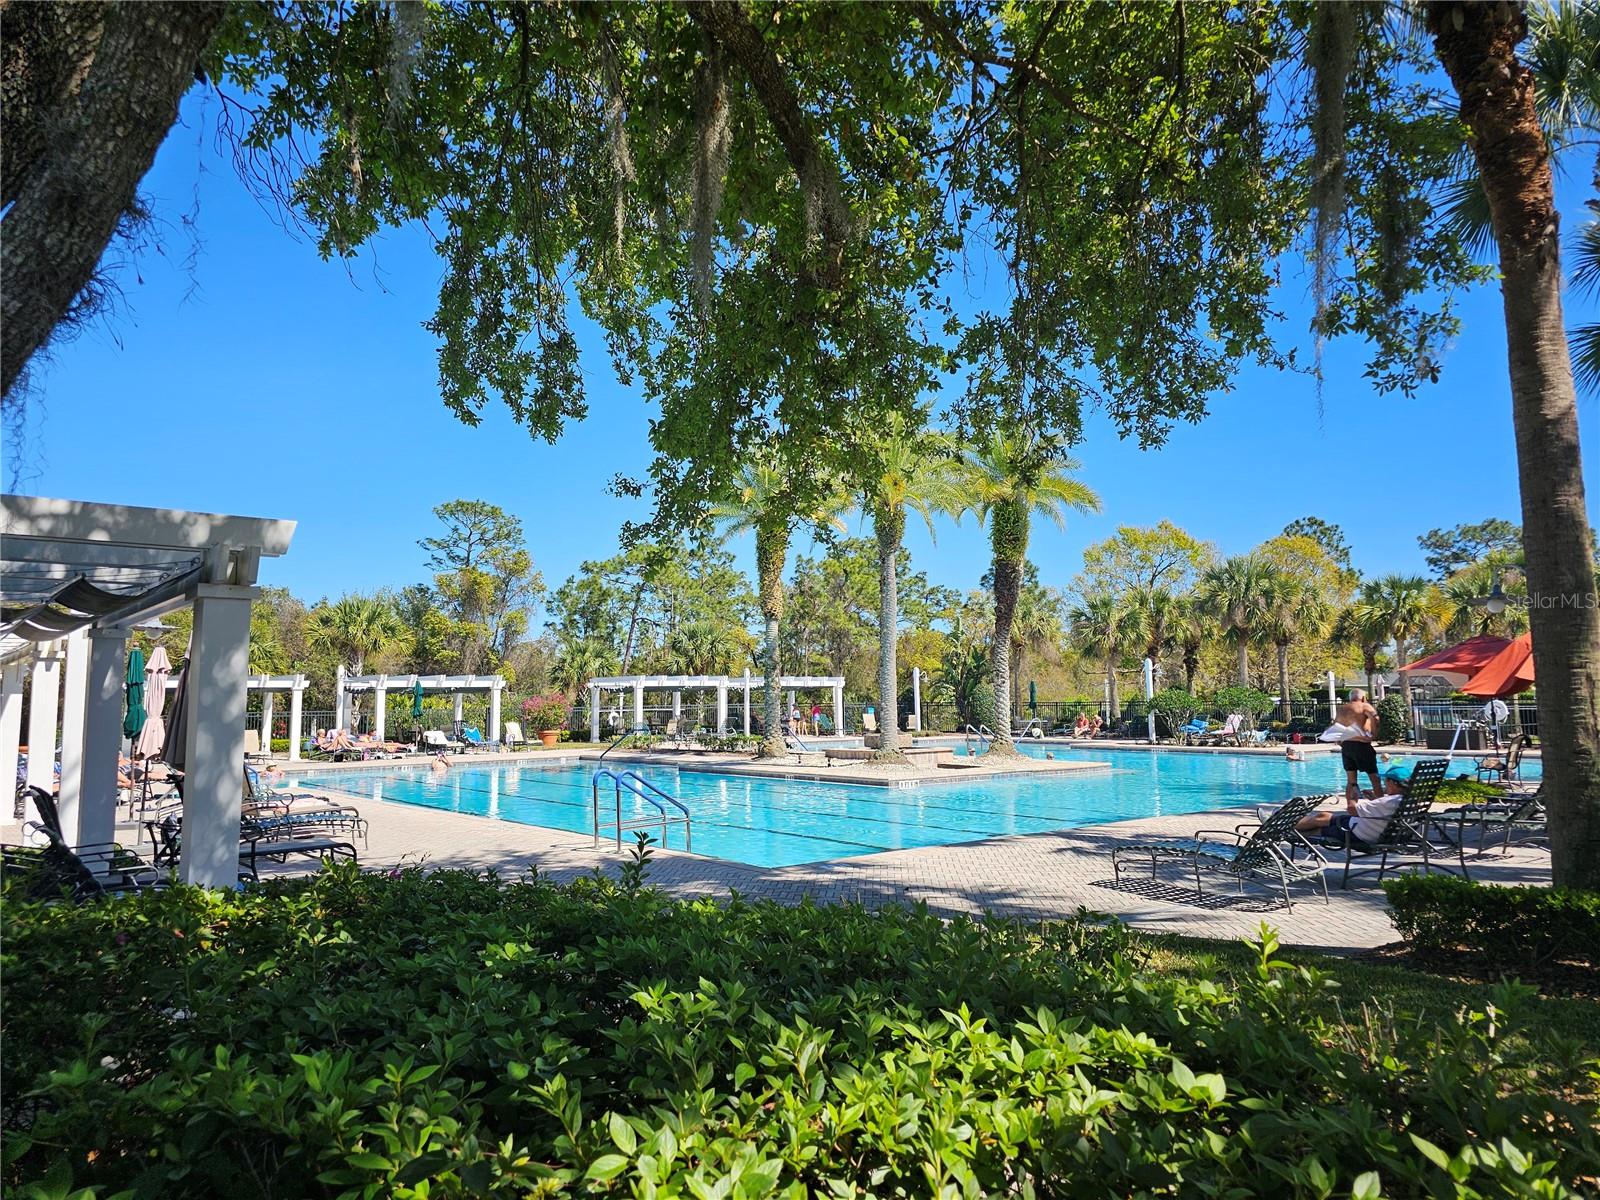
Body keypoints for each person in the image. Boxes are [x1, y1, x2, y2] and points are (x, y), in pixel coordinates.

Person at [1298, 767, 1408, 845]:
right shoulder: (1404, 799)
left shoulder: (1391, 801)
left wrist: (1352, 797)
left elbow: (1352, 810)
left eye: (1385, 781)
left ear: (1393, 783)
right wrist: (1375, 800)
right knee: (1323, 816)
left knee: (1320, 823)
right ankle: (1293, 827)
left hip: (1358, 833)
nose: (1384, 784)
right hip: (1372, 830)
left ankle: (1292, 830)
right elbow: (1385, 810)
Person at [1321, 688, 1381, 801]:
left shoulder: (1342, 709)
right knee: (1374, 778)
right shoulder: (1364, 706)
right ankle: (1381, 805)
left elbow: (1336, 726)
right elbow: (1375, 718)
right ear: (1363, 697)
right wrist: (1373, 734)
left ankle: (1351, 806)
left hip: (1347, 747)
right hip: (1361, 745)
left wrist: (1340, 741)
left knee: (1351, 781)